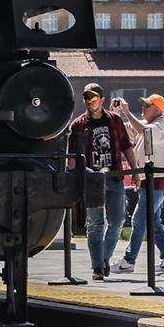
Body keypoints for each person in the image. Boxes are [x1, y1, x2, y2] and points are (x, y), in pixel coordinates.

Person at [64, 84, 137, 281]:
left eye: (94, 97)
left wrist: (135, 171)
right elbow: (71, 159)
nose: (90, 101)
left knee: (117, 221)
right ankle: (97, 267)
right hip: (91, 180)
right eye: (87, 97)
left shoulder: (114, 120)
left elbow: (126, 146)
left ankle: (104, 257)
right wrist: (74, 175)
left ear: (102, 100)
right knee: (95, 224)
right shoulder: (78, 125)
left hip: (114, 177)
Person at [113, 94, 164, 275]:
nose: (143, 108)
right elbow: (127, 129)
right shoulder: (147, 123)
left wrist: (126, 111)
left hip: (158, 179)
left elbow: (145, 131)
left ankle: (129, 260)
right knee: (153, 222)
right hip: (148, 178)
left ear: (158, 109)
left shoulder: (163, 123)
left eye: (147, 106)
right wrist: (115, 114)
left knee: (139, 218)